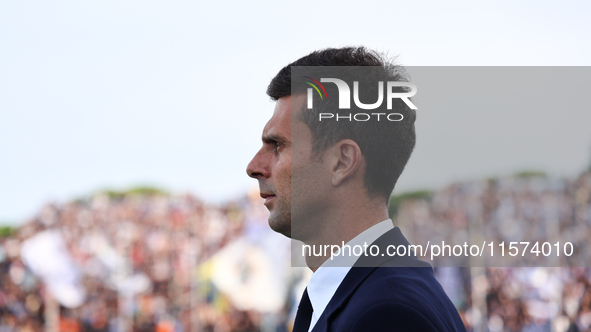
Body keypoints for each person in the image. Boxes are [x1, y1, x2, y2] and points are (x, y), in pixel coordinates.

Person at [247, 47, 466, 331]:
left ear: (342, 161)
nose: (254, 166)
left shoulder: (387, 312)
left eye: (278, 145)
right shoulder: (363, 295)